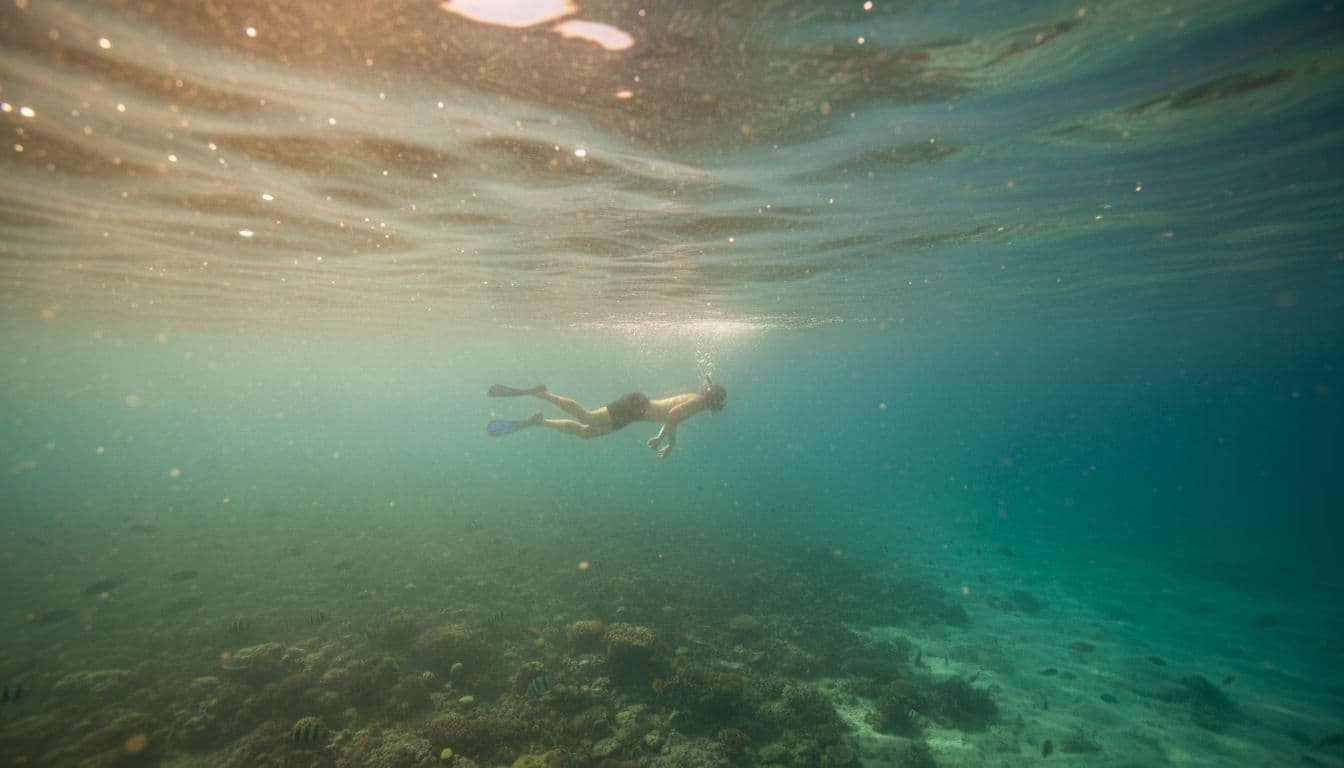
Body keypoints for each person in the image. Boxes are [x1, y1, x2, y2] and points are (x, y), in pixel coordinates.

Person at [487, 378, 727, 458]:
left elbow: (671, 416)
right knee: (588, 418)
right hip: (636, 407)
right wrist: (670, 442)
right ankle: (544, 393)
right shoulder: (699, 404)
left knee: (586, 433)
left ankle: (540, 421)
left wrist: (660, 436)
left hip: (636, 412)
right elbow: (673, 416)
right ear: (714, 401)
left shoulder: (697, 399)